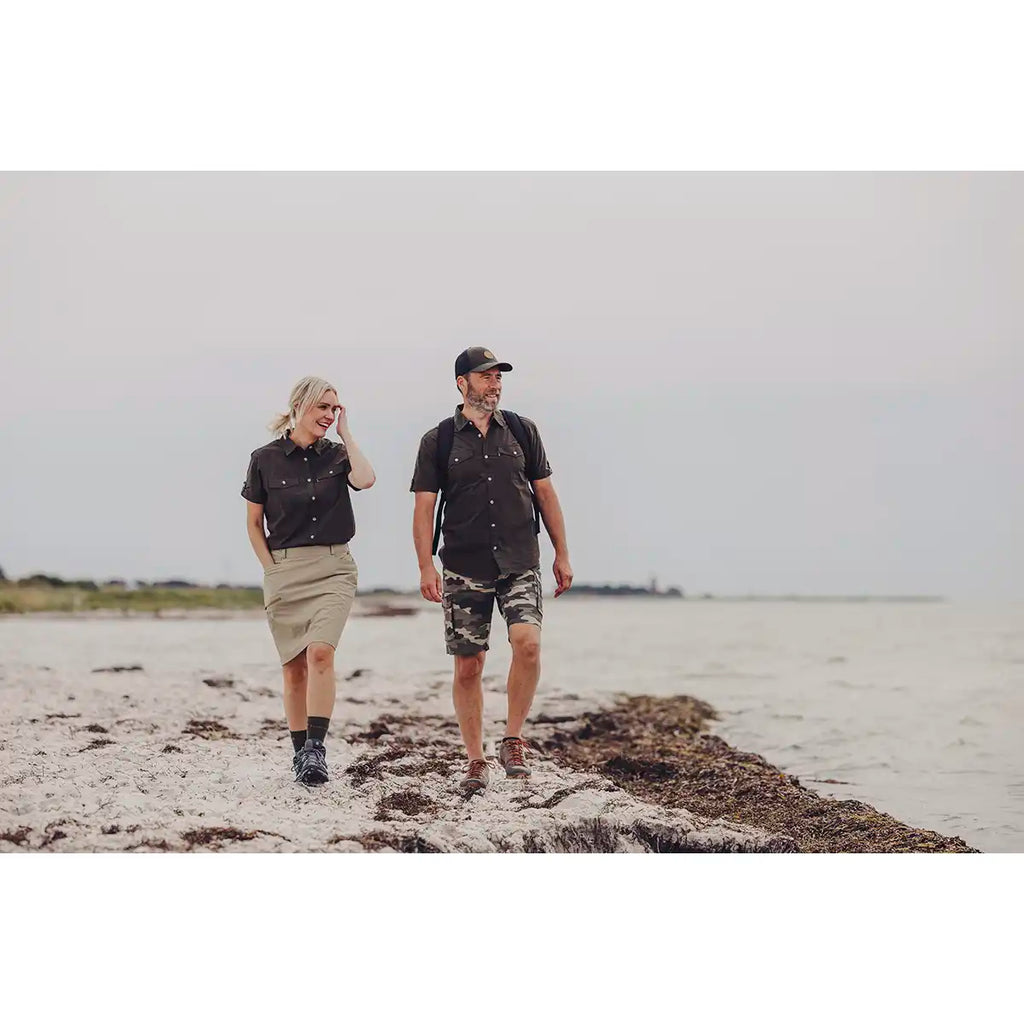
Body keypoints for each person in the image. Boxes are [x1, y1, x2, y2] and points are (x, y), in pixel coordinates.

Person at [410, 347, 573, 793]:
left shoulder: (522, 430)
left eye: (499, 377)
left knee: (528, 644)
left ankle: (513, 739)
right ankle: (475, 759)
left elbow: (545, 494)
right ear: (462, 383)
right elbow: (424, 509)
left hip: (519, 560)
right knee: (469, 665)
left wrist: (562, 553)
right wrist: (425, 566)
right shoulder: (439, 440)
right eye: (486, 376)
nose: (495, 384)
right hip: (464, 566)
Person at [242, 376, 375, 785]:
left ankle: (316, 749)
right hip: (285, 571)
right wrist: (272, 570)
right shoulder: (264, 459)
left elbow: (366, 479)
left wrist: (346, 434)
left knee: (320, 652)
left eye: (334, 408)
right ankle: (300, 753)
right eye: (322, 407)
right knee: (293, 669)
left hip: (334, 568)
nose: (329, 415)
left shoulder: (338, 454)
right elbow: (254, 524)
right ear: (299, 405)